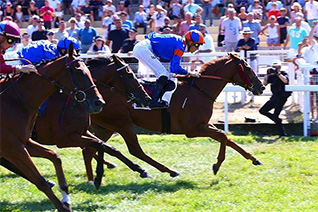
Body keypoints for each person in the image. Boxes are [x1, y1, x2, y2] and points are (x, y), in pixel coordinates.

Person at [133, 30, 203, 109]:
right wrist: (189, 73)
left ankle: (156, 98)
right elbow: (175, 68)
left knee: (167, 77)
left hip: (143, 48)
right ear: (190, 42)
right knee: (163, 74)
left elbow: (173, 68)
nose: (197, 48)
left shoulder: (180, 42)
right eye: (197, 44)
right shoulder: (181, 46)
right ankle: (153, 102)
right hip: (143, 49)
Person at [259, 59, 291, 137]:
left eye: (277, 67)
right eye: (274, 67)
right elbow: (264, 84)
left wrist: (278, 74)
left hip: (282, 97)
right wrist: (267, 75)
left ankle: (283, 134)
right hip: (274, 97)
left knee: (276, 115)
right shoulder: (271, 76)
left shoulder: (283, 73)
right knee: (262, 111)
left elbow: (285, 81)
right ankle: (278, 121)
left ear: (280, 67)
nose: (275, 69)